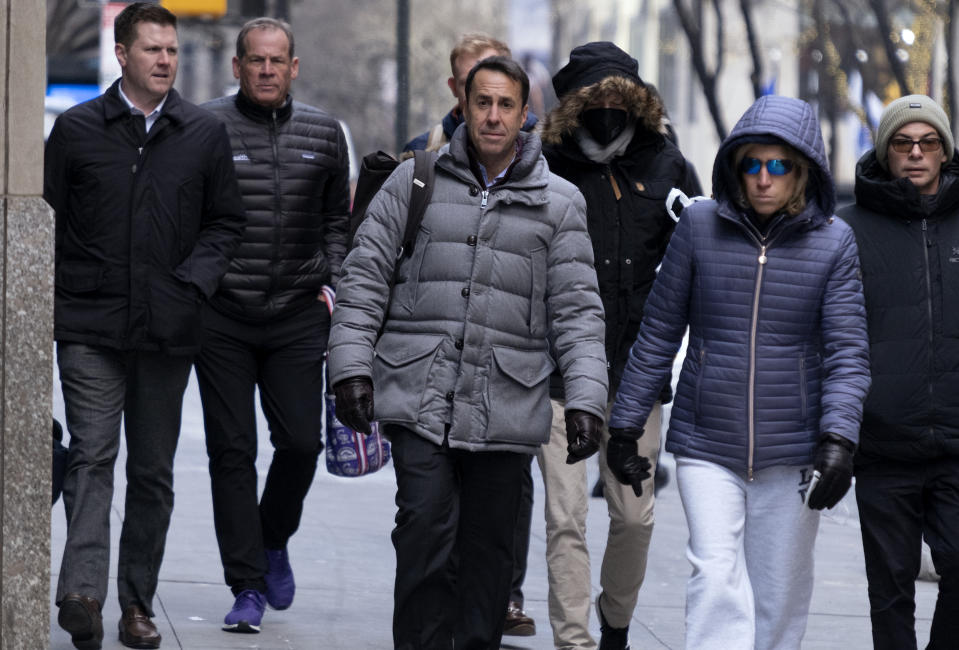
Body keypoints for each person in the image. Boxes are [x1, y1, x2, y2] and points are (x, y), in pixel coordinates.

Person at [327, 56, 608, 650]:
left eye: (507, 104)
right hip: (418, 391)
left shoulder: (558, 203)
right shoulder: (417, 180)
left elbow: (579, 313)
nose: (493, 115)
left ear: (525, 115)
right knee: (424, 528)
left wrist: (585, 401)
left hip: (507, 402)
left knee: (487, 553)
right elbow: (364, 278)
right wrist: (350, 367)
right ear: (465, 105)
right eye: (483, 102)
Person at [607, 94, 871, 649]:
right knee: (714, 575)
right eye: (752, 163)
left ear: (802, 171)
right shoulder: (699, 227)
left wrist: (838, 439)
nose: (763, 178)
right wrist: (625, 427)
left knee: (779, 591)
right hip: (707, 440)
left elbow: (847, 353)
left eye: (778, 165)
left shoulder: (833, 242)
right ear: (735, 166)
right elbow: (658, 331)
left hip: (793, 446)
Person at [44, 4, 245, 649]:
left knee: (153, 473)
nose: (165, 60)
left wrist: (192, 285)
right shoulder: (75, 131)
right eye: (153, 49)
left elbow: (225, 224)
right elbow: (44, 221)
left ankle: (136, 603)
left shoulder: (203, 134)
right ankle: (82, 593)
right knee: (93, 456)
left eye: (172, 51)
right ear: (123, 53)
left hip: (168, 330)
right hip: (90, 324)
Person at [536, 41, 699, 650]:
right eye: (593, 96)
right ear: (574, 104)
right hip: (558, 371)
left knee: (634, 518)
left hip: (638, 374)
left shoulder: (669, 167)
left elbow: (696, 262)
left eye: (617, 95)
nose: (606, 105)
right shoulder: (545, 164)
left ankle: (615, 621)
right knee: (566, 517)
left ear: (635, 100)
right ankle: (574, 639)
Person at [196, 17, 350, 634]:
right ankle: (247, 585)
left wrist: (337, 287)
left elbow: (336, 222)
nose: (265, 70)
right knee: (231, 452)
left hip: (295, 312)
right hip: (223, 317)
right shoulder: (204, 126)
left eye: (276, 61)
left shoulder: (324, 133)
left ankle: (272, 538)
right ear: (237, 67)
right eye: (254, 60)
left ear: (293, 68)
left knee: (301, 444)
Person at [837, 94, 959, 650]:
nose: (916, 153)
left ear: (944, 151)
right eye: (903, 143)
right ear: (886, 153)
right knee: (890, 591)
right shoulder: (849, 228)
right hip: (884, 441)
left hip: (957, 438)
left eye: (928, 142)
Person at [401, 33, 536, 157]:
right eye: (467, 84)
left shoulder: (543, 147)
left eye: (492, 79)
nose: (479, 91)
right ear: (453, 87)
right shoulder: (421, 152)